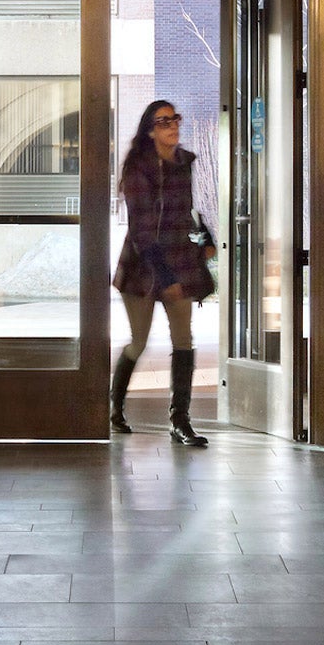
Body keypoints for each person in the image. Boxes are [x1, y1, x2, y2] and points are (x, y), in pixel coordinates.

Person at [110, 99, 216, 448]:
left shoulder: (184, 163)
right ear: (150, 129)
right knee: (138, 342)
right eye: (164, 120)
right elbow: (142, 231)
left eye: (175, 119)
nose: (173, 125)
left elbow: (188, 214)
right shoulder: (137, 167)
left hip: (179, 260)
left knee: (183, 340)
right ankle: (114, 407)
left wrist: (205, 239)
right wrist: (165, 277)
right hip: (142, 267)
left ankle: (180, 421)